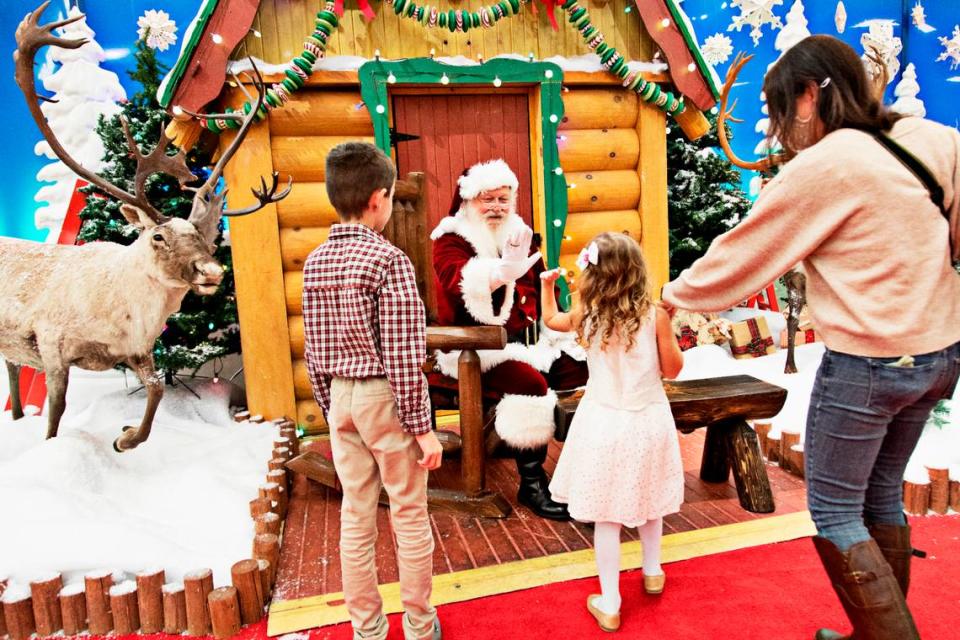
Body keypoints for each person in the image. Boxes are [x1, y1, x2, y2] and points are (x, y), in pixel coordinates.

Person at [661, 35, 960, 640]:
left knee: (833, 509)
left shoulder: (824, 165)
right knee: (880, 493)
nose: (781, 130)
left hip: (867, 367)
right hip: (937, 356)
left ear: (806, 97)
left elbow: (742, 256)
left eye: (778, 112)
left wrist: (670, 298)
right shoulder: (937, 139)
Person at [303, 142, 443, 640]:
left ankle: (367, 630)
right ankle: (421, 626)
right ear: (380, 198)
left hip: (340, 395)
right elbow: (404, 357)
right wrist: (423, 429)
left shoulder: (314, 263)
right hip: (386, 395)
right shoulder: (390, 261)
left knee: (355, 515)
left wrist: (330, 402)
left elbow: (313, 351)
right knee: (408, 511)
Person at [430, 158, 588, 520]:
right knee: (529, 384)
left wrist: (560, 329)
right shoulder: (450, 239)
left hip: (531, 343)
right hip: (475, 349)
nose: (497, 207)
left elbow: (542, 291)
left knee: (583, 373)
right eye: (488, 199)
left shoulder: (518, 233)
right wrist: (498, 273)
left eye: (503, 199)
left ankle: (583, 469)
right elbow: (458, 280)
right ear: (469, 201)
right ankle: (532, 484)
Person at [544, 232, 685, 632]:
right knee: (650, 494)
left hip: (603, 422)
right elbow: (672, 370)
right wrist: (669, 326)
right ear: (637, 271)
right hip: (648, 419)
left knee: (606, 516)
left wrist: (547, 286)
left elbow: (550, 321)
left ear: (592, 275)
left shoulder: (586, 314)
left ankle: (609, 599)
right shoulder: (654, 315)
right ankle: (652, 570)